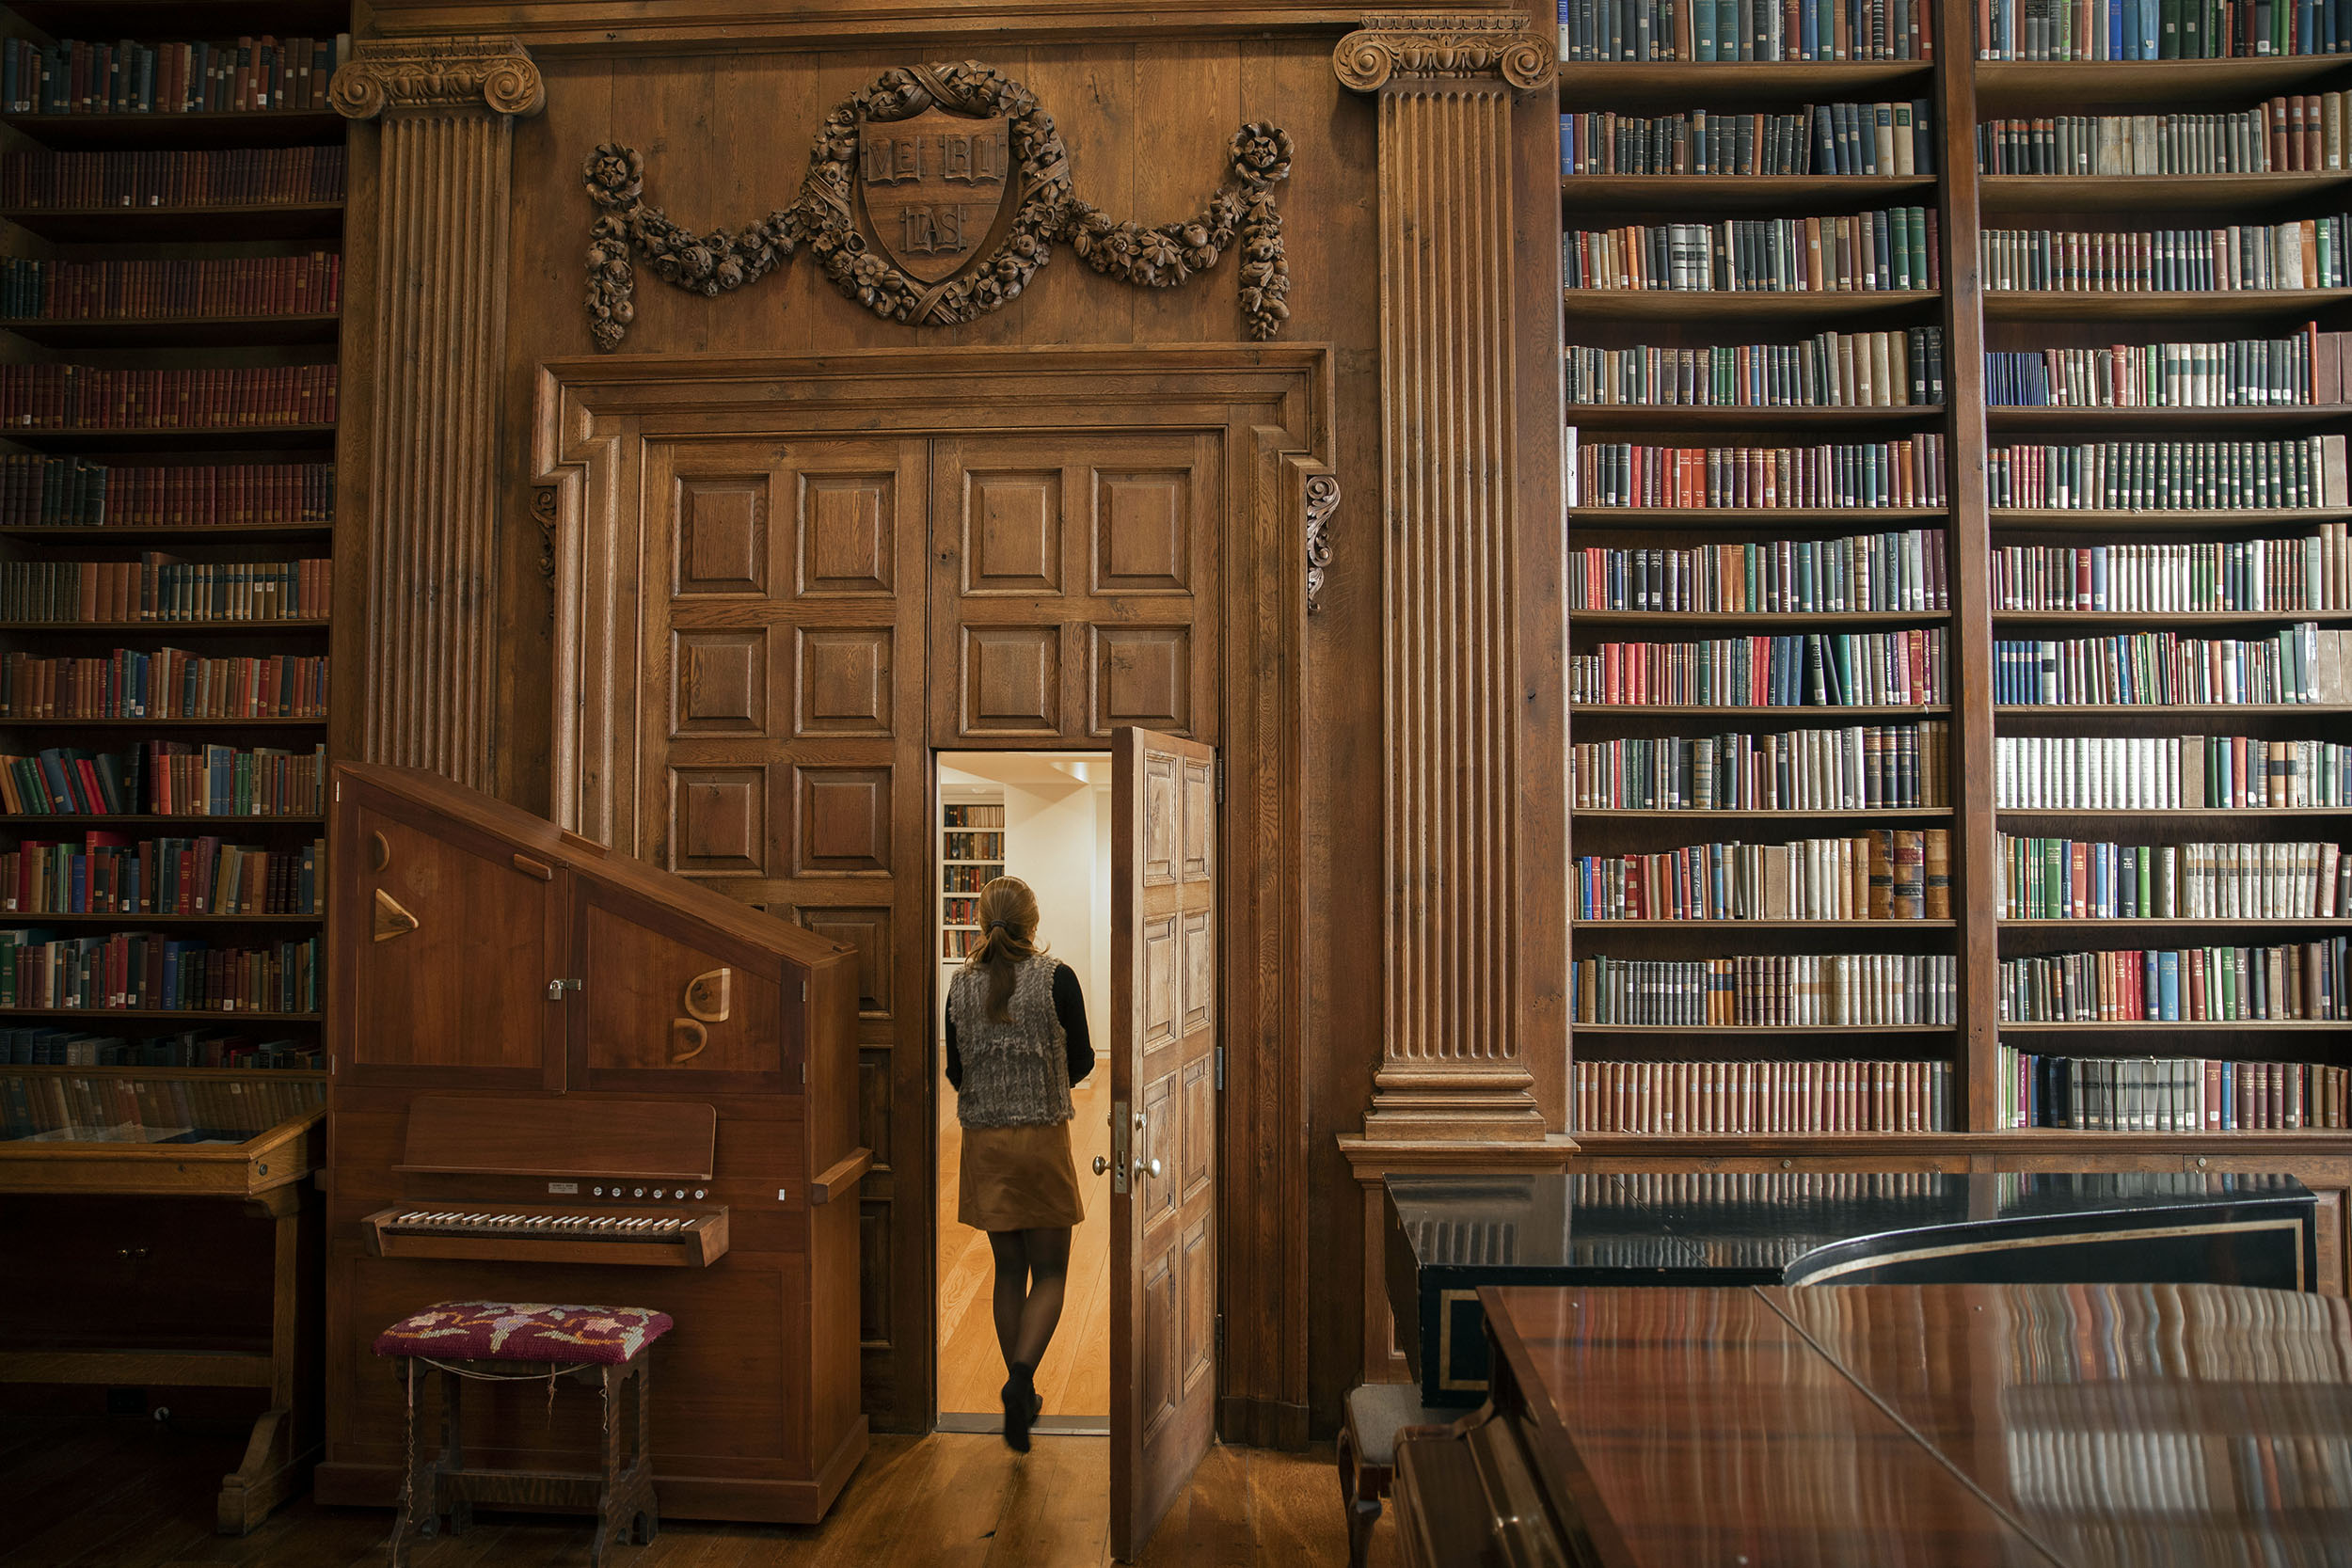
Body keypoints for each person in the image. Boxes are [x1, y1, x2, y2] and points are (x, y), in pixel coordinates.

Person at [944, 875, 1094, 1452]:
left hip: (985, 1144)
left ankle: (1017, 1388)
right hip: (1041, 1141)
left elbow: (957, 1072)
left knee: (1009, 1271)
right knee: (1051, 1272)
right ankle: (1023, 1379)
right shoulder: (1058, 979)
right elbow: (1080, 1059)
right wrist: (1041, 1084)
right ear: (1034, 922)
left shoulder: (958, 987)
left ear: (981, 921)